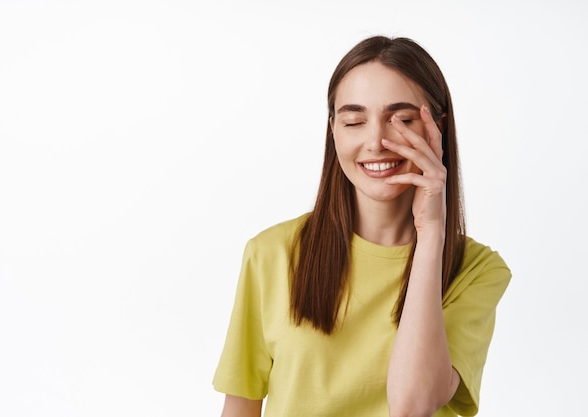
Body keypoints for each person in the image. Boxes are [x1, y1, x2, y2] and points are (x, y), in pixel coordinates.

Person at [212, 35, 511, 417]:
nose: (376, 141)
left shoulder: (476, 270)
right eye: (354, 120)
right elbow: (240, 406)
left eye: (401, 120)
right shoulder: (271, 253)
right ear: (333, 130)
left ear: (437, 129)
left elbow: (412, 405)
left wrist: (431, 233)